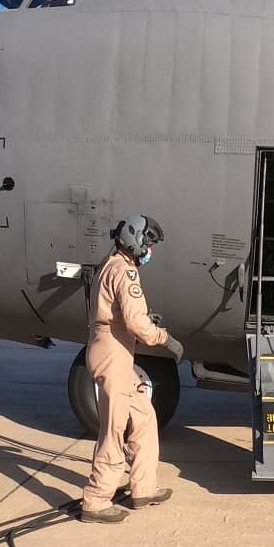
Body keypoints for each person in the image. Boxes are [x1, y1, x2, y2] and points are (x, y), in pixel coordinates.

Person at [78, 214, 184, 523]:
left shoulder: (111, 263)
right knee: (114, 429)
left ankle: (142, 488)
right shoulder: (125, 272)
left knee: (145, 417)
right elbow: (137, 323)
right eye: (148, 243)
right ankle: (96, 501)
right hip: (112, 353)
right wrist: (165, 339)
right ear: (135, 241)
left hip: (116, 351)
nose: (150, 250)